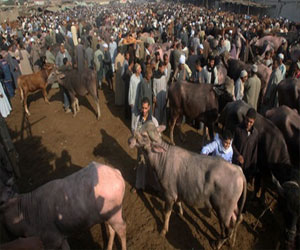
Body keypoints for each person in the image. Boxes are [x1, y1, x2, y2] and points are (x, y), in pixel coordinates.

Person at [131, 97, 160, 193]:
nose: (144, 110)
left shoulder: (154, 121)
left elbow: (158, 136)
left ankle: (155, 187)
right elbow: (134, 130)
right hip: (140, 148)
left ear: (149, 108)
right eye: (142, 108)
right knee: (140, 165)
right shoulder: (137, 119)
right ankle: (138, 185)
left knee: (152, 168)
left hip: (150, 149)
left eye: (145, 108)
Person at [232, 108, 259, 185]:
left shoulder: (255, 134)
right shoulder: (237, 129)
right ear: (245, 118)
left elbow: (254, 152)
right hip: (236, 164)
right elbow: (232, 145)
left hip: (246, 167)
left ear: (254, 121)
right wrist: (238, 155)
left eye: (251, 122)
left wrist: (252, 168)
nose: (248, 124)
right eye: (247, 120)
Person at [128, 63, 142, 132]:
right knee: (134, 115)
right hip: (133, 99)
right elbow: (130, 90)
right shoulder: (132, 78)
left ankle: (137, 127)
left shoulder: (140, 77)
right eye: (139, 69)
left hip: (139, 99)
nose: (141, 70)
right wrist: (131, 101)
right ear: (136, 70)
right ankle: (133, 128)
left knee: (138, 114)